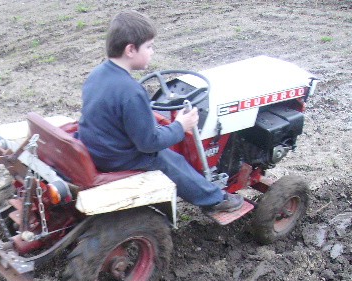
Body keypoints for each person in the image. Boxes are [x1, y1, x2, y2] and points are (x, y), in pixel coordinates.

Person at [77, 10, 243, 213]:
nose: (152, 52)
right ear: (130, 49)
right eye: (149, 46)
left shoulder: (98, 74)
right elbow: (149, 144)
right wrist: (181, 126)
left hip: (97, 145)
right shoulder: (131, 91)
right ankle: (215, 199)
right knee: (169, 159)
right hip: (116, 157)